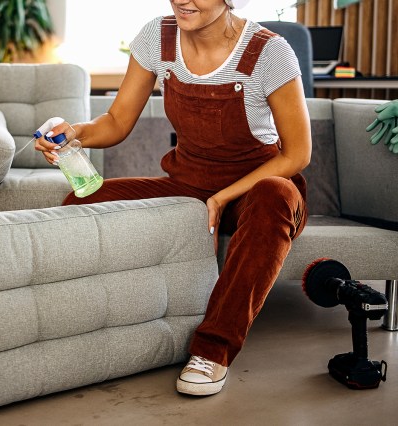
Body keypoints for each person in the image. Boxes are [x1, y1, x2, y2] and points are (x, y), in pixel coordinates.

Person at [35, 0, 311, 396]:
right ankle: (87, 326)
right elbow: (115, 122)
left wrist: (223, 197)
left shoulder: (269, 52)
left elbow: (297, 154)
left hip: (256, 191)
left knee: (275, 195)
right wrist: (74, 133)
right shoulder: (157, 38)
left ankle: (213, 350)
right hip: (188, 185)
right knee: (81, 201)